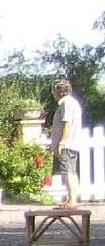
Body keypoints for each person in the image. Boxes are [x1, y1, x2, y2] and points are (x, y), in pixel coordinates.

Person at [47, 76, 85, 208]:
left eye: (53, 91)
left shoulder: (66, 103)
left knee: (68, 171)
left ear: (57, 91)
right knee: (69, 171)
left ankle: (72, 201)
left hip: (68, 144)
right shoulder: (71, 102)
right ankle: (70, 199)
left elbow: (67, 123)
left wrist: (62, 142)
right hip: (70, 143)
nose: (52, 94)